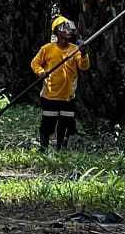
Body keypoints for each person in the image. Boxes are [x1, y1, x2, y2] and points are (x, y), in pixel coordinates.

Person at [30, 15, 90, 152]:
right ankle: (43, 148)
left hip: (68, 96)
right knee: (48, 123)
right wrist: (40, 72)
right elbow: (35, 63)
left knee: (66, 122)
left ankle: (60, 149)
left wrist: (84, 54)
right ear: (57, 32)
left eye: (69, 29)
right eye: (64, 28)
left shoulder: (75, 49)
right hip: (50, 95)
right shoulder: (47, 49)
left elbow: (84, 66)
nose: (68, 31)